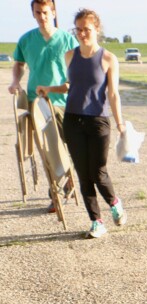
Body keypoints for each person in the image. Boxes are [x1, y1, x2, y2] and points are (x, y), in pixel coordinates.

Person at [37, 8, 127, 239]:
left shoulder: (108, 58)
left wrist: (120, 124)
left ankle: (114, 203)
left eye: (86, 29)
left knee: (98, 172)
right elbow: (69, 85)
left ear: (96, 29)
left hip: (98, 121)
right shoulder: (70, 56)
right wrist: (49, 89)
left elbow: (114, 94)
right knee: (82, 174)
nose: (82, 33)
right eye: (78, 29)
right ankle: (96, 221)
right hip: (73, 120)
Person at [8, 0, 78, 213]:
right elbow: (19, 64)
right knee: (46, 150)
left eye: (46, 12)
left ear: (53, 12)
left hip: (63, 101)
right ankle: (55, 193)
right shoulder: (26, 40)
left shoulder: (67, 40)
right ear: (33, 13)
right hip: (36, 102)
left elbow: (76, 69)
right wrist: (15, 81)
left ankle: (69, 178)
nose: (42, 16)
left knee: (69, 146)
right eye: (38, 12)